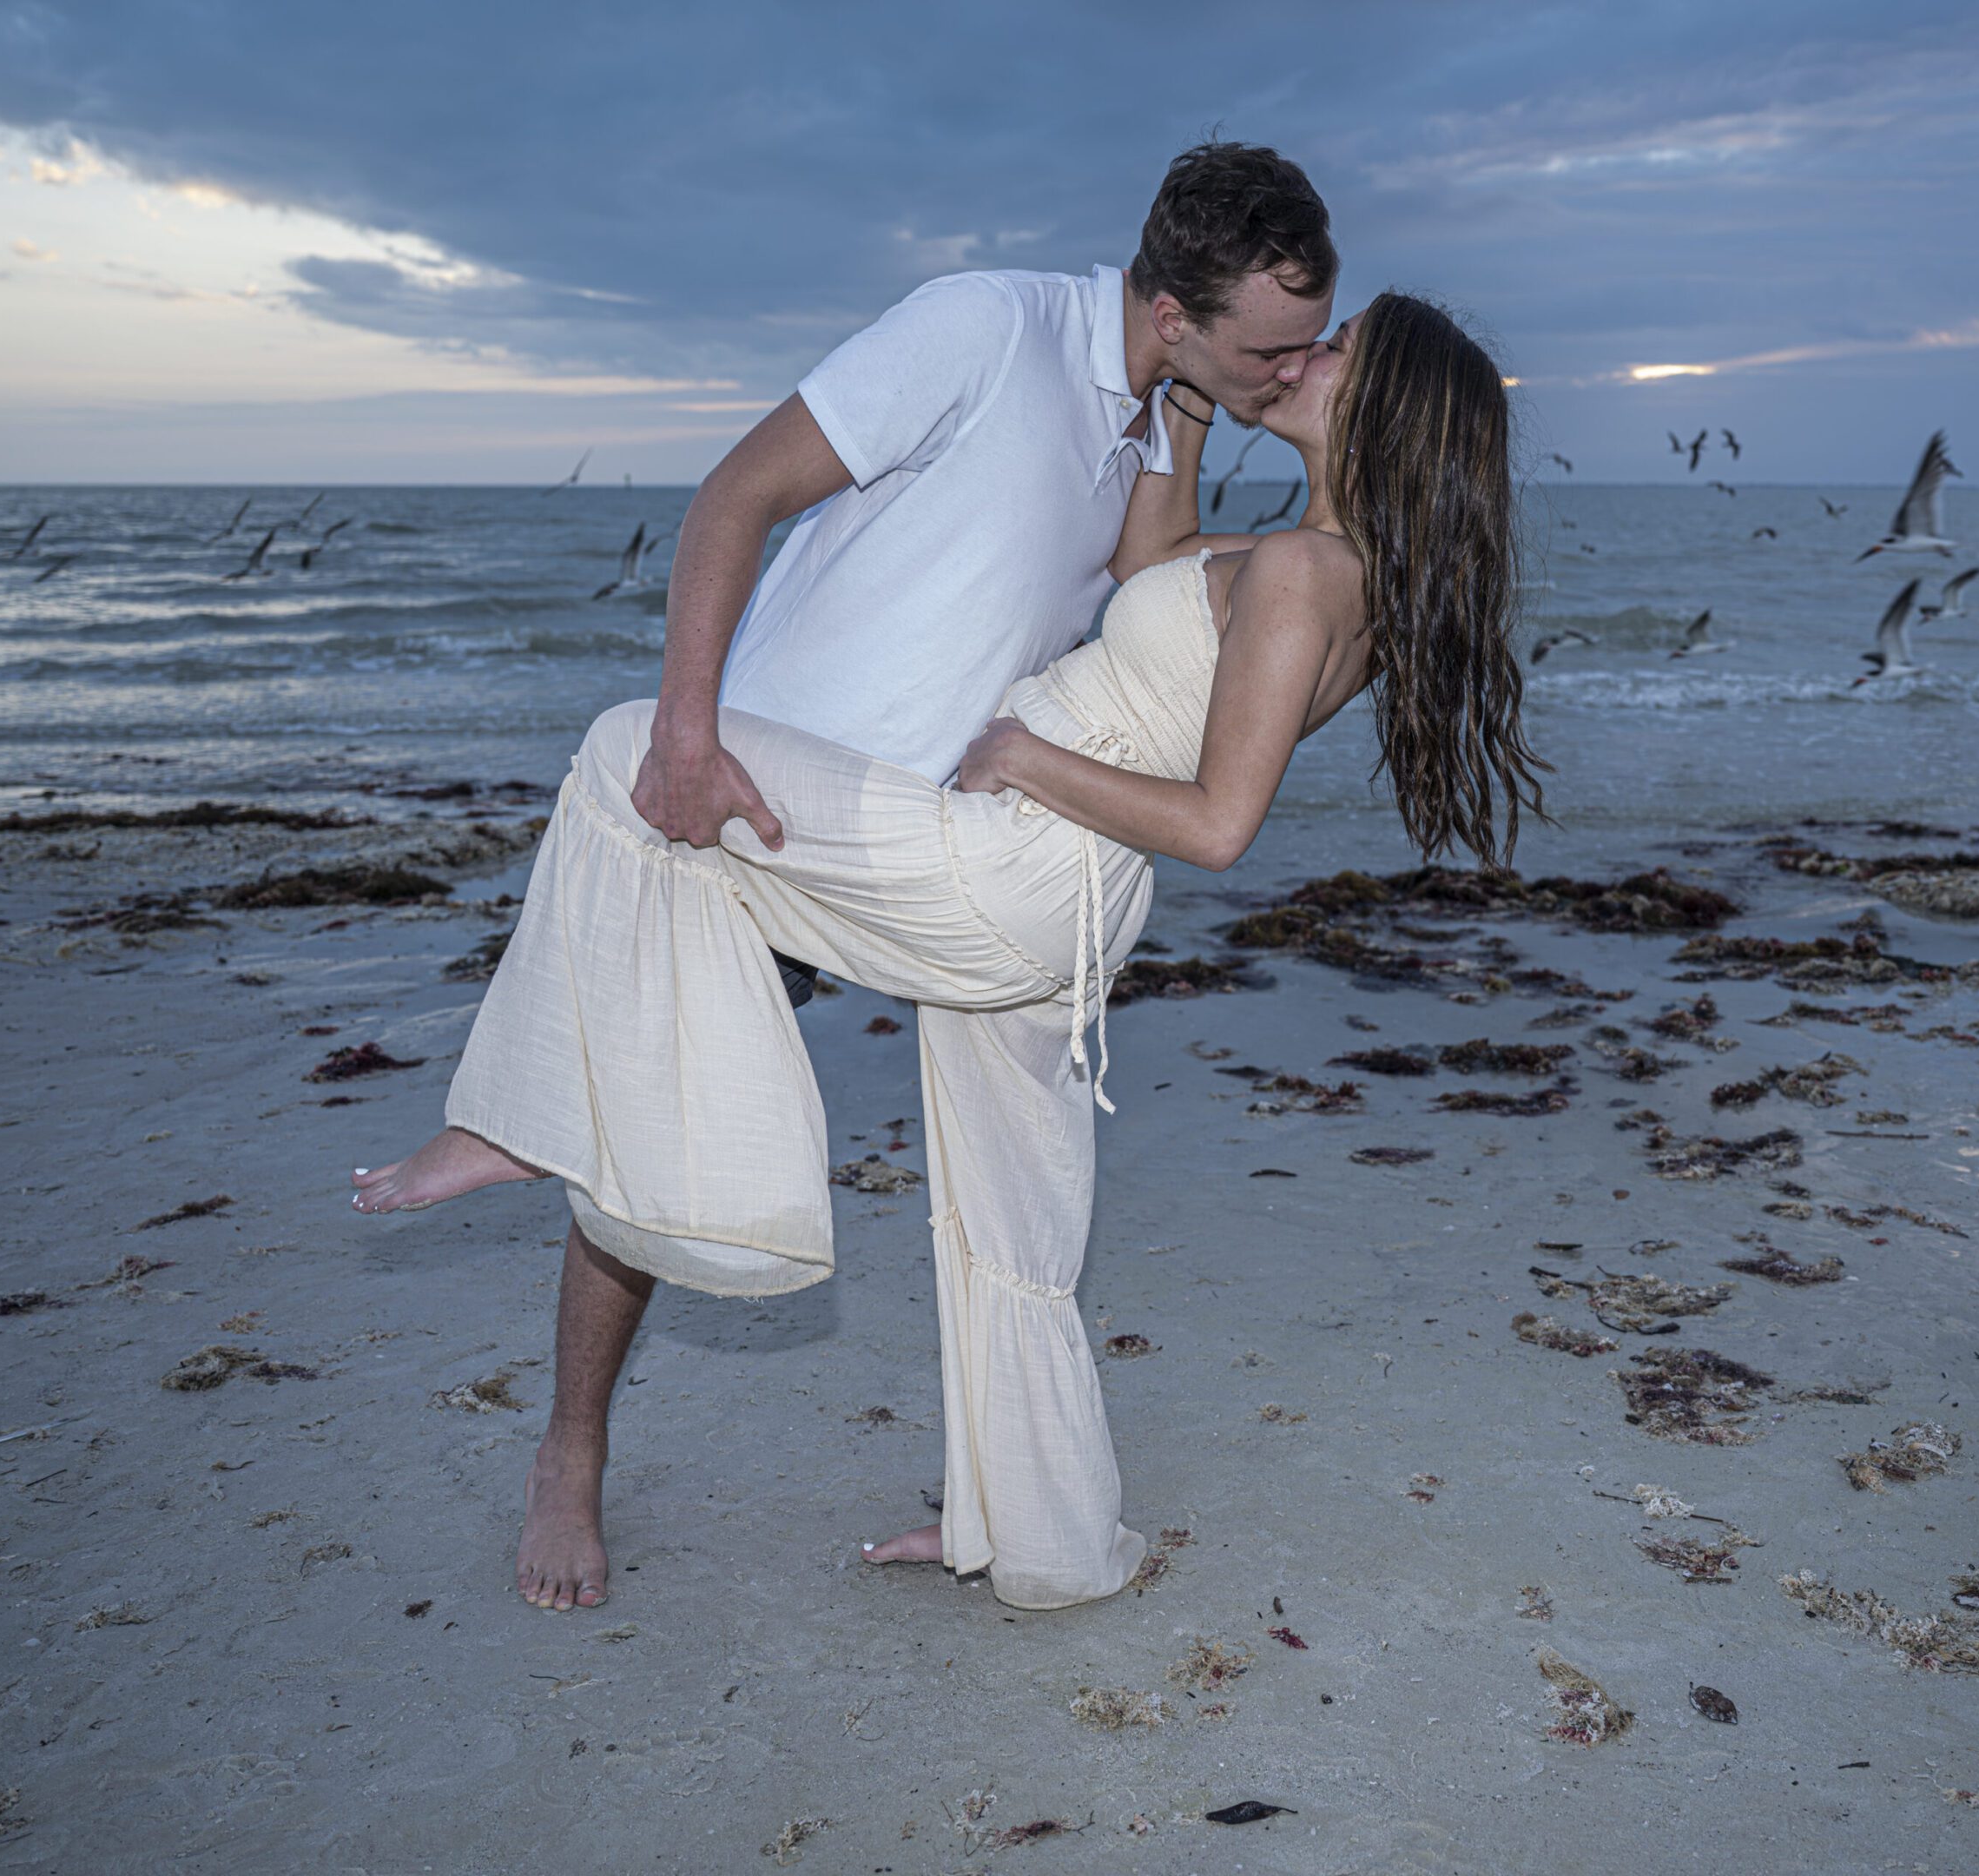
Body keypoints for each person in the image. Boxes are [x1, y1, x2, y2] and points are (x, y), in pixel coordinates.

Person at [357, 293, 1547, 1614]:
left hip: (1024, 859)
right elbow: (1151, 560)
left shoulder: (1299, 576)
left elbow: (1218, 825)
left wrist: (1027, 753)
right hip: (1067, 903)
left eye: (1336, 356)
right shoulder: (1329, 572)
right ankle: (1031, 1537)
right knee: (1010, 1218)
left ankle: (528, 1119)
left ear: (1385, 413)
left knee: (627, 754)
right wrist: (1197, 403)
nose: (1306, 361)